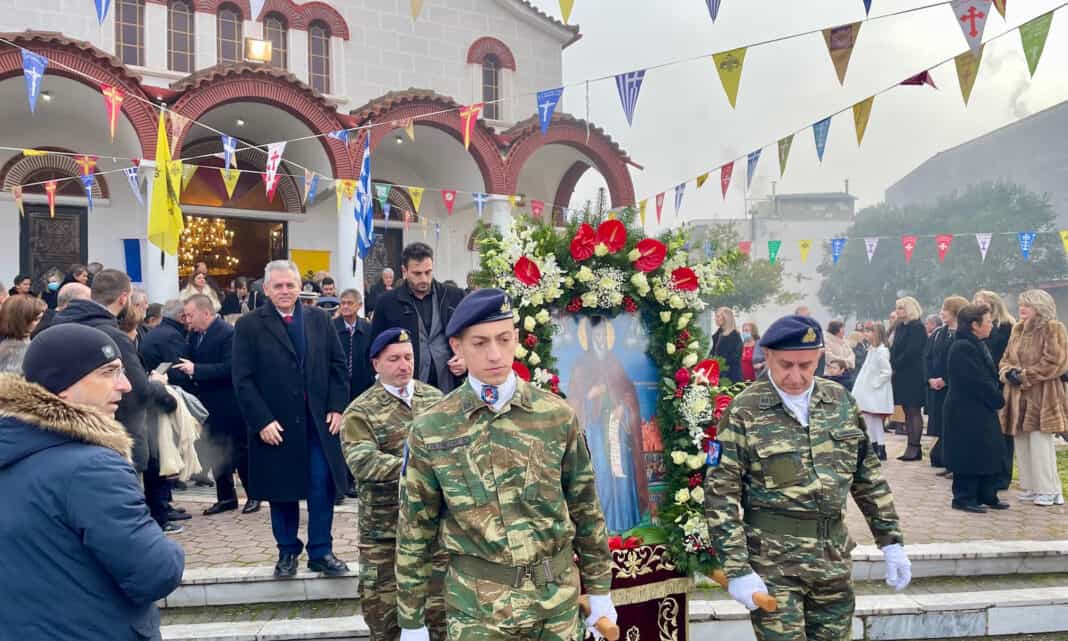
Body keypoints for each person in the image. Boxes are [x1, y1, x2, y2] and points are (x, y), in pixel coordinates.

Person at [396, 288, 616, 641]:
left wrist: (601, 589)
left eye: (503, 339)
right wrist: (411, 620)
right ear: (456, 347)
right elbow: (415, 531)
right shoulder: (432, 428)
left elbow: (585, 507)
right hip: (478, 612)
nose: (495, 354)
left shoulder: (556, 416)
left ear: (516, 338)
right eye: (480, 343)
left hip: (556, 606)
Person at [704, 314, 910, 640]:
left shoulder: (839, 402)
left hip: (833, 558)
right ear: (767, 356)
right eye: (786, 365)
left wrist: (891, 541)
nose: (796, 376)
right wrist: (737, 568)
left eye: (807, 365)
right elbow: (720, 494)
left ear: (819, 358)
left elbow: (867, 476)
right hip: (773, 563)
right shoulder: (744, 410)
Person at [0, 324, 185, 641]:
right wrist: (171, 551)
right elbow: (154, 573)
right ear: (62, 386)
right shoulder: (92, 468)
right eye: (108, 372)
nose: (125, 385)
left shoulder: (13, 449)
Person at [232, 260, 351, 577]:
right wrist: (261, 421)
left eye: (290, 285)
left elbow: (338, 367)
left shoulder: (319, 320)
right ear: (266, 289)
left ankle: (321, 551)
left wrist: (337, 407)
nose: (285, 291)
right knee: (281, 490)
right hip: (276, 425)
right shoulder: (249, 326)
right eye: (278, 286)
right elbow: (242, 379)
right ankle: (287, 552)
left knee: (321, 486)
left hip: (317, 423)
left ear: (300, 287)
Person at [52, 269, 181, 531]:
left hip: (66, 435)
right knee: (121, 520)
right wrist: (158, 387)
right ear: (124, 298)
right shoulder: (112, 336)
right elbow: (137, 390)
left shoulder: (58, 326)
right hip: (116, 437)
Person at [341, 328, 448, 641]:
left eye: (408, 357)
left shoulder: (435, 399)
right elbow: (363, 462)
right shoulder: (360, 411)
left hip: (433, 534)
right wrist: (417, 468)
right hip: (386, 537)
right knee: (386, 622)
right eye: (394, 359)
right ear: (376, 364)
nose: (404, 365)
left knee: (441, 619)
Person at [179, 294, 258, 515]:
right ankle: (226, 498)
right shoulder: (195, 335)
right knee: (216, 449)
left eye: (191, 315)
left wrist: (197, 370)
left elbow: (230, 368)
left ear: (206, 313)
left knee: (240, 451)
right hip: (207, 404)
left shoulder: (228, 334)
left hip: (230, 403)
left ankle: (254, 495)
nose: (188, 320)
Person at [999, 289, 1068, 507]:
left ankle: (1049, 490)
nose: (1022, 308)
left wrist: (1024, 376)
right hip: (1017, 396)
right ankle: (1030, 486)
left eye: (1027, 305)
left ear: (1040, 306)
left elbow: (1055, 362)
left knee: (1040, 444)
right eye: (1021, 304)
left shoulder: (1053, 328)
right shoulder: (1017, 329)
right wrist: (1008, 372)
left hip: (1043, 395)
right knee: (1022, 441)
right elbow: (1005, 358)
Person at [370, 243, 466, 393]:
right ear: (404, 271)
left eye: (428, 272)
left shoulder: (454, 297)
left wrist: (465, 360)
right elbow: (375, 347)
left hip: (450, 385)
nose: (424, 279)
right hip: (406, 388)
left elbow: (471, 336)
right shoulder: (387, 303)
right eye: (417, 273)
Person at [943, 303, 1010, 513]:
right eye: (988, 321)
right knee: (970, 452)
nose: (991, 325)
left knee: (988, 450)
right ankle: (964, 497)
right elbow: (976, 380)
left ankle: (987, 494)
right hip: (966, 409)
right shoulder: (962, 347)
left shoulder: (977, 343)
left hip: (981, 408)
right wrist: (997, 398)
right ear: (974, 325)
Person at [974, 290, 1016, 490]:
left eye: (982, 302)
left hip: (1000, 382)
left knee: (1003, 433)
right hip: (984, 381)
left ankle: (1003, 475)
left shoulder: (1006, 326)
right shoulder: (977, 327)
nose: (978, 305)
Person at [923, 296, 968, 470]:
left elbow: (962, 362)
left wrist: (946, 380)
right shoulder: (938, 333)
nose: (942, 313)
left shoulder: (964, 334)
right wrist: (930, 379)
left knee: (952, 424)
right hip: (936, 387)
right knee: (940, 423)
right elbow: (926, 357)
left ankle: (951, 461)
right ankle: (944, 458)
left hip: (952, 387)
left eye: (945, 309)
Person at [890, 297, 927, 461]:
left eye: (901, 308)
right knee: (906, 409)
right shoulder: (900, 327)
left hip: (913, 373)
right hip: (901, 373)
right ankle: (910, 446)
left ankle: (915, 446)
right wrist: (892, 362)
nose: (898, 311)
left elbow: (913, 351)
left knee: (914, 409)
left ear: (909, 309)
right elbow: (895, 347)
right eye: (897, 308)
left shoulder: (917, 327)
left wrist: (897, 362)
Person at [853, 322, 893, 461]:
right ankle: (874, 447)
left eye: (869, 331)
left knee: (875, 421)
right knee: (869, 420)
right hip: (866, 392)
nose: (866, 334)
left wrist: (874, 383)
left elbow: (886, 372)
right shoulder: (872, 350)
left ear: (877, 334)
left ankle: (880, 448)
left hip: (875, 392)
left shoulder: (882, 351)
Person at [0, 294, 45, 373]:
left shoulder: (6, 344)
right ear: (22, 320)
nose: (40, 322)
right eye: (36, 319)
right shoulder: (18, 351)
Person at [711, 306, 743, 384]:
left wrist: (719, 363)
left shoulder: (735, 336)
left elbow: (734, 359)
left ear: (726, 318)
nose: (715, 319)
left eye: (718, 316)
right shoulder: (718, 334)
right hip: (717, 375)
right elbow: (713, 353)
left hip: (731, 377)